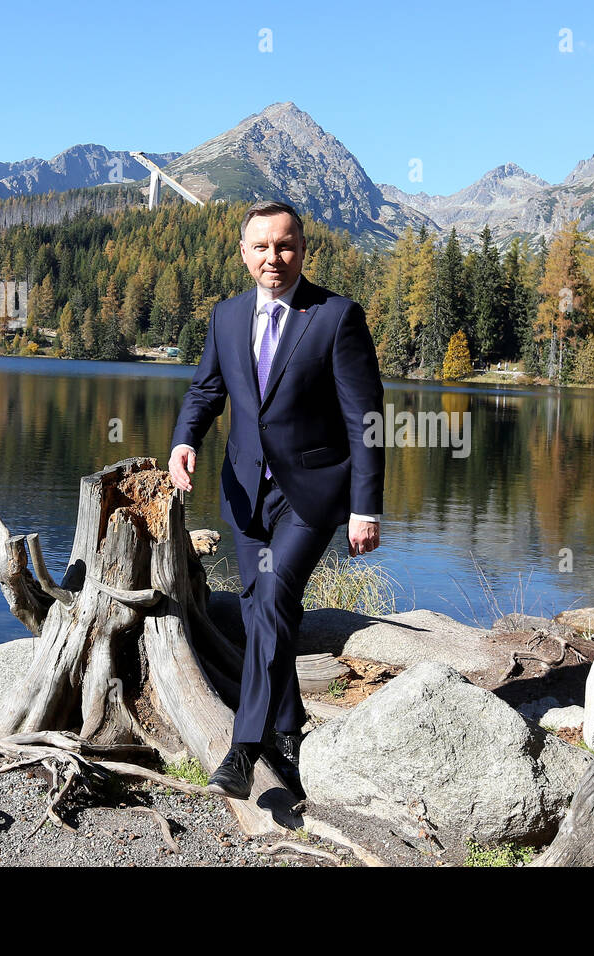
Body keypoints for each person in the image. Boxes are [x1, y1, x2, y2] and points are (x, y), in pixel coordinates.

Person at [168, 200, 384, 800]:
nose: (273, 257)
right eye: (261, 247)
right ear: (243, 254)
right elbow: (207, 390)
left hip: (311, 494)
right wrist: (185, 442)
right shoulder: (227, 317)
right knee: (263, 604)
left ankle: (246, 744)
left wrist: (364, 507)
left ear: (303, 249)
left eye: (284, 245)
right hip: (244, 491)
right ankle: (289, 730)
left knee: (274, 595)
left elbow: (366, 419)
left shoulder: (336, 317)